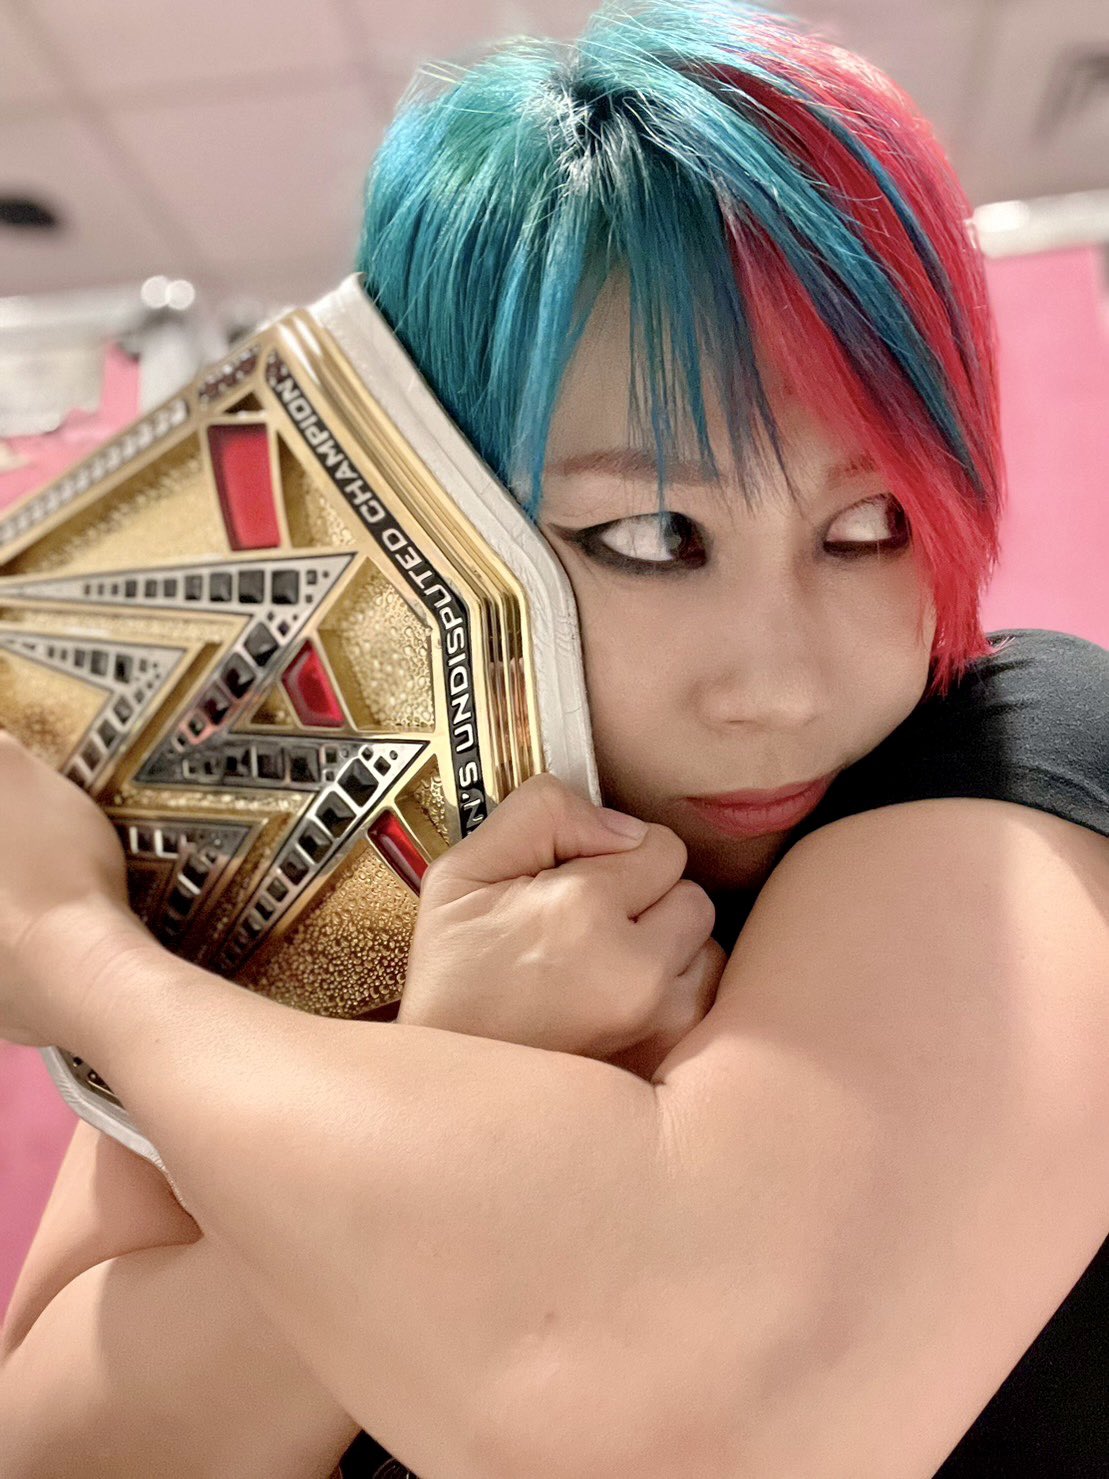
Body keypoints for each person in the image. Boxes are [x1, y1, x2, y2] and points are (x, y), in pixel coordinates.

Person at [2, 2, 1108, 1476]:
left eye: (870, 527)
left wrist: (81, 959)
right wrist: (446, 1063)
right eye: (650, 536)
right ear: (439, 506)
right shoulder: (336, 865)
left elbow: (701, 1435)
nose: (777, 686)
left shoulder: (1026, 755)